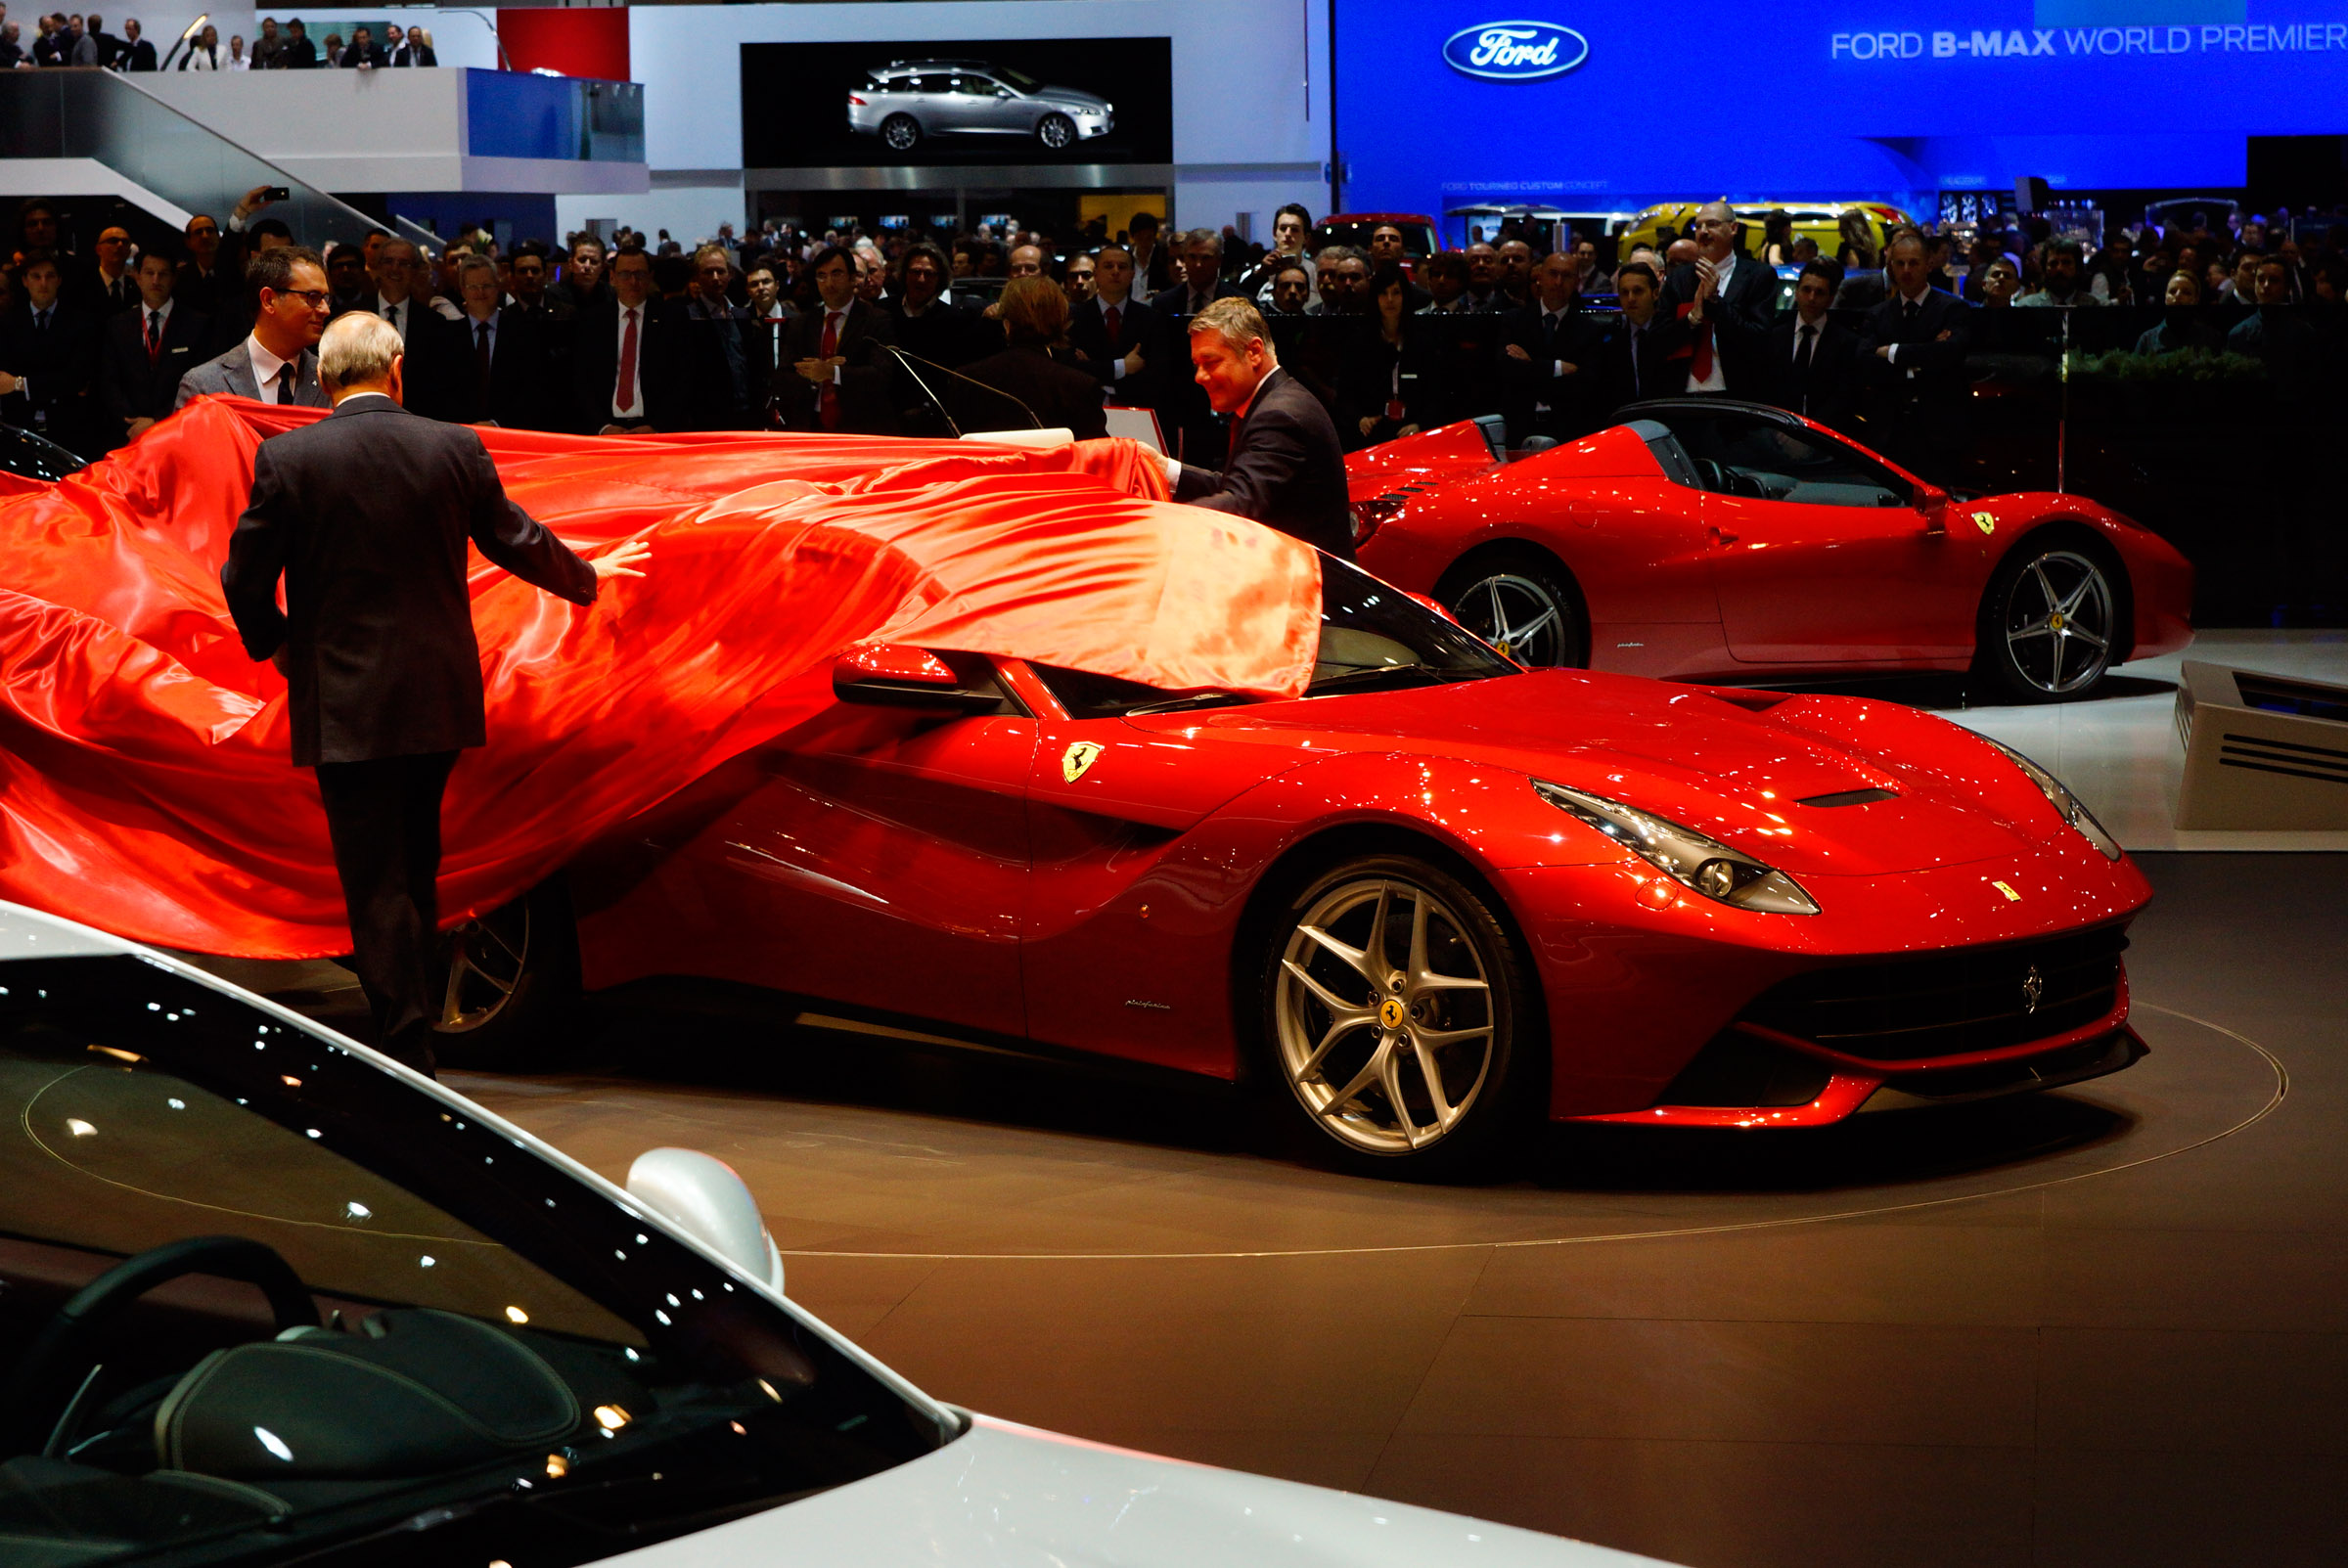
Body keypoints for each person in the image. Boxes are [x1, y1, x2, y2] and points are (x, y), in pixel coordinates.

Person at [220, 311, 648, 1076]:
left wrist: (281, 646)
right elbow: (516, 539)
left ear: (324, 378)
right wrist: (595, 583)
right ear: (398, 368)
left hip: (345, 702)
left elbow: (242, 580)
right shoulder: (452, 445)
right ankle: (412, 1026)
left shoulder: (289, 459)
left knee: (374, 876)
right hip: (438, 696)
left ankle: (404, 1045)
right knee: (419, 867)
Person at [1169, 296, 1353, 560]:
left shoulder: (1280, 415)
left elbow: (1239, 501)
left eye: (1210, 362)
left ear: (1253, 352)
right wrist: (1165, 469)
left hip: (1309, 588)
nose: (1199, 377)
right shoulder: (1272, 401)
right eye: (1197, 365)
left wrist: (1159, 523)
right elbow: (1240, 486)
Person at [1860, 227, 1974, 484]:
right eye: (1899, 264)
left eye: (1913, 263)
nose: (1906, 270)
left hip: (1939, 432)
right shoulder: (1877, 314)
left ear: (1928, 264)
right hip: (1888, 432)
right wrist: (1924, 359)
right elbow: (1865, 364)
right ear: (1891, 266)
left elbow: (1950, 355)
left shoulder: (1953, 309)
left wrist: (1891, 351)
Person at [176, 244, 332, 408]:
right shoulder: (204, 386)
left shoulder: (334, 381)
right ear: (269, 300)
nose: (325, 310)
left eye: (326, 298)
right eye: (313, 297)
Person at [770, 244, 896, 434]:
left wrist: (833, 372)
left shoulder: (876, 320)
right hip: (810, 424)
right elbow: (782, 378)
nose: (829, 283)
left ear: (853, 278)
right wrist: (814, 375)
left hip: (860, 425)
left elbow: (882, 376)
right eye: (822, 276)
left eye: (836, 274)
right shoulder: (801, 323)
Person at [961, 275, 1107, 438]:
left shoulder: (965, 379)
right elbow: (1098, 454)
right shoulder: (1079, 385)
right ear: (1062, 322)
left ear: (1006, 324)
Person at [1663, 201, 1780, 396]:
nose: (1703, 231)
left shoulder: (1759, 276)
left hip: (1735, 395)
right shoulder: (1678, 278)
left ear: (1733, 228)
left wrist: (1716, 303)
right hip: (1682, 395)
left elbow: (1758, 339)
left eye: (1712, 224)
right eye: (1698, 226)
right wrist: (1691, 319)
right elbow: (1659, 338)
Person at [99, 246, 207, 443]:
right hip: (129, 433)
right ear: (137, 277)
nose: (156, 280)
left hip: (177, 432)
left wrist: (159, 421)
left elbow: (199, 384)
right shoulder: (117, 325)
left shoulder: (197, 325)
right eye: (149, 273)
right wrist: (133, 423)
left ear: (174, 279)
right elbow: (109, 382)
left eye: (163, 274)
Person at [1497, 249, 1603, 444]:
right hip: (1519, 425)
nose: (1558, 282)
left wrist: (1530, 366)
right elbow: (1509, 371)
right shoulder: (1514, 321)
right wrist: (1558, 368)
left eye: (1567, 276)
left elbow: (1585, 384)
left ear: (1576, 282)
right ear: (1540, 278)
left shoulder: (1590, 329)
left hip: (1568, 429)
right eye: (1553, 274)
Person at [0, 252, 101, 453]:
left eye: (50, 276)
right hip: (18, 426)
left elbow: (75, 379)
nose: (43, 283)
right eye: (36, 277)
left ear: (59, 280)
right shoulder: (7, 323)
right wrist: (51, 382)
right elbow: (2, 380)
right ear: (25, 281)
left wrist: (20, 383)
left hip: (69, 426)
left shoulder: (82, 323)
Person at [451, 254, 552, 428]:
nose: (480, 292)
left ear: (498, 287)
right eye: (473, 286)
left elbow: (534, 390)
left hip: (511, 433)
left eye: (486, 286)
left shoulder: (525, 332)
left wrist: (496, 424)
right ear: (462, 290)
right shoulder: (446, 337)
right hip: (459, 434)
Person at [1763, 259, 1861, 430]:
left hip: (1824, 436)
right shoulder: (1774, 336)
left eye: (1820, 292)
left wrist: (1810, 434)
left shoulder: (1846, 343)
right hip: (1776, 432)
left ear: (1831, 299)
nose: (1811, 298)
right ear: (1797, 292)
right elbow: (1766, 389)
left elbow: (1843, 397)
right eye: (1806, 290)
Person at [1067, 243, 1156, 405]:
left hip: (1137, 408)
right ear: (1096, 274)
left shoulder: (1150, 318)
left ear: (1132, 275)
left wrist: (1094, 369)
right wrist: (1123, 367)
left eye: (1122, 267)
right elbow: (1071, 370)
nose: (1115, 272)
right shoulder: (1073, 317)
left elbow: (1155, 373)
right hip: (1086, 406)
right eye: (1108, 266)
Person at [1594, 260, 1680, 412]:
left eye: (1638, 291)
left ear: (1655, 293)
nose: (1631, 298)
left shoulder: (1673, 331)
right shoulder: (1611, 342)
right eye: (1624, 292)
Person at [2136, 270, 2223, 356]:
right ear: (2165, 297)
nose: (2177, 296)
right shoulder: (2147, 340)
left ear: (2196, 299)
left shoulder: (2210, 338)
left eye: (2186, 292)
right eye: (2172, 291)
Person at [2015, 238, 2100, 307]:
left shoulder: (2093, 306)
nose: (2060, 269)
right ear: (2044, 268)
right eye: (2053, 264)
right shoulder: (2027, 306)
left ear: (2078, 268)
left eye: (2066, 263)